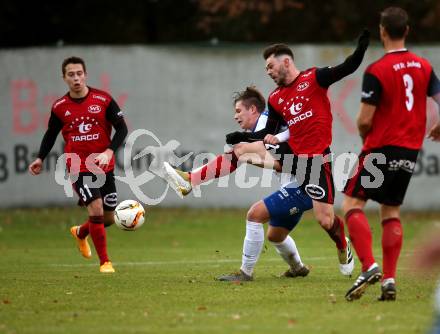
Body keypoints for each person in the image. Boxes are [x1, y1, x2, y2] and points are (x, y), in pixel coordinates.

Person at [220, 30, 370, 277]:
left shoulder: (315, 78)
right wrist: (242, 137)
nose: (267, 71)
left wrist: (361, 49)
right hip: (296, 166)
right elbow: (267, 132)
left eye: (270, 66)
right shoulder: (276, 98)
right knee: (274, 233)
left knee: (325, 220)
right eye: (266, 68)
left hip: (318, 163)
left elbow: (347, 67)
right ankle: (291, 269)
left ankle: (343, 244)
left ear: (286, 62)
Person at [163, 86, 312, 281]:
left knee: (254, 214)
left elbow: (289, 164)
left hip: (305, 186)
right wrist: (248, 157)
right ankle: (298, 268)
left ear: (253, 110)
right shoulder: (269, 127)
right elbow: (281, 163)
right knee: (275, 236)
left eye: (238, 110)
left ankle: (245, 273)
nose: (235, 116)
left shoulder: (267, 125)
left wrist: (247, 156)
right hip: (295, 185)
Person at [342, 7, 440, 301]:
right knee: (391, 210)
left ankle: (369, 265)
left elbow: (363, 120)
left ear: (382, 32)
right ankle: (389, 280)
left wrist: (364, 138)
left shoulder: (377, 70)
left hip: (381, 149)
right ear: (407, 30)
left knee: (351, 204)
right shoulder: (424, 66)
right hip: (409, 151)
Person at [28, 56, 128, 273]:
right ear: (64, 78)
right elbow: (51, 134)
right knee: (96, 208)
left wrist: (109, 151)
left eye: (79, 73)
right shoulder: (60, 107)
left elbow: (122, 129)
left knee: (108, 219)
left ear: (85, 75)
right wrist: (40, 157)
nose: (76, 78)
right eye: (71, 74)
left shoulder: (103, 100)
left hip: (104, 167)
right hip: (78, 166)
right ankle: (105, 263)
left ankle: (81, 233)